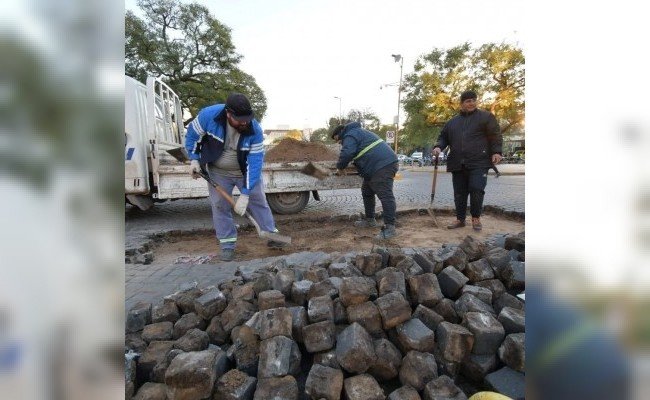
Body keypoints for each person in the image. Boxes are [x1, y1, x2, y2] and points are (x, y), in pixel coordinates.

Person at [184, 93, 284, 261]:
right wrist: (194, 159)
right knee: (220, 205)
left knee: (258, 200)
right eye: (239, 119)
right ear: (228, 114)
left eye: (247, 118)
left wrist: (245, 194)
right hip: (218, 171)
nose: (244, 122)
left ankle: (271, 234)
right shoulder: (208, 116)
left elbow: (254, 164)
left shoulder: (255, 130)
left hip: (243, 172)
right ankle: (227, 244)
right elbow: (192, 136)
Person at [433, 90, 503, 231]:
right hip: (457, 162)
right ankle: (460, 219)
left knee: (477, 189)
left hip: (479, 161)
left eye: (473, 100)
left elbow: (495, 135)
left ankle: (476, 218)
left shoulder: (486, 117)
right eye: (468, 101)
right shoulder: (452, 123)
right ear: (461, 104)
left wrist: (496, 151)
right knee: (459, 193)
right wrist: (438, 147)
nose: (471, 103)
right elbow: (443, 137)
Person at [331, 121, 399, 240]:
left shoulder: (349, 135)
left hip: (382, 165)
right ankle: (370, 220)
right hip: (375, 166)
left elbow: (348, 152)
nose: (339, 142)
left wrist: (340, 167)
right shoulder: (357, 133)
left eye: (337, 139)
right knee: (367, 192)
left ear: (341, 133)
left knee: (385, 195)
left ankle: (390, 228)